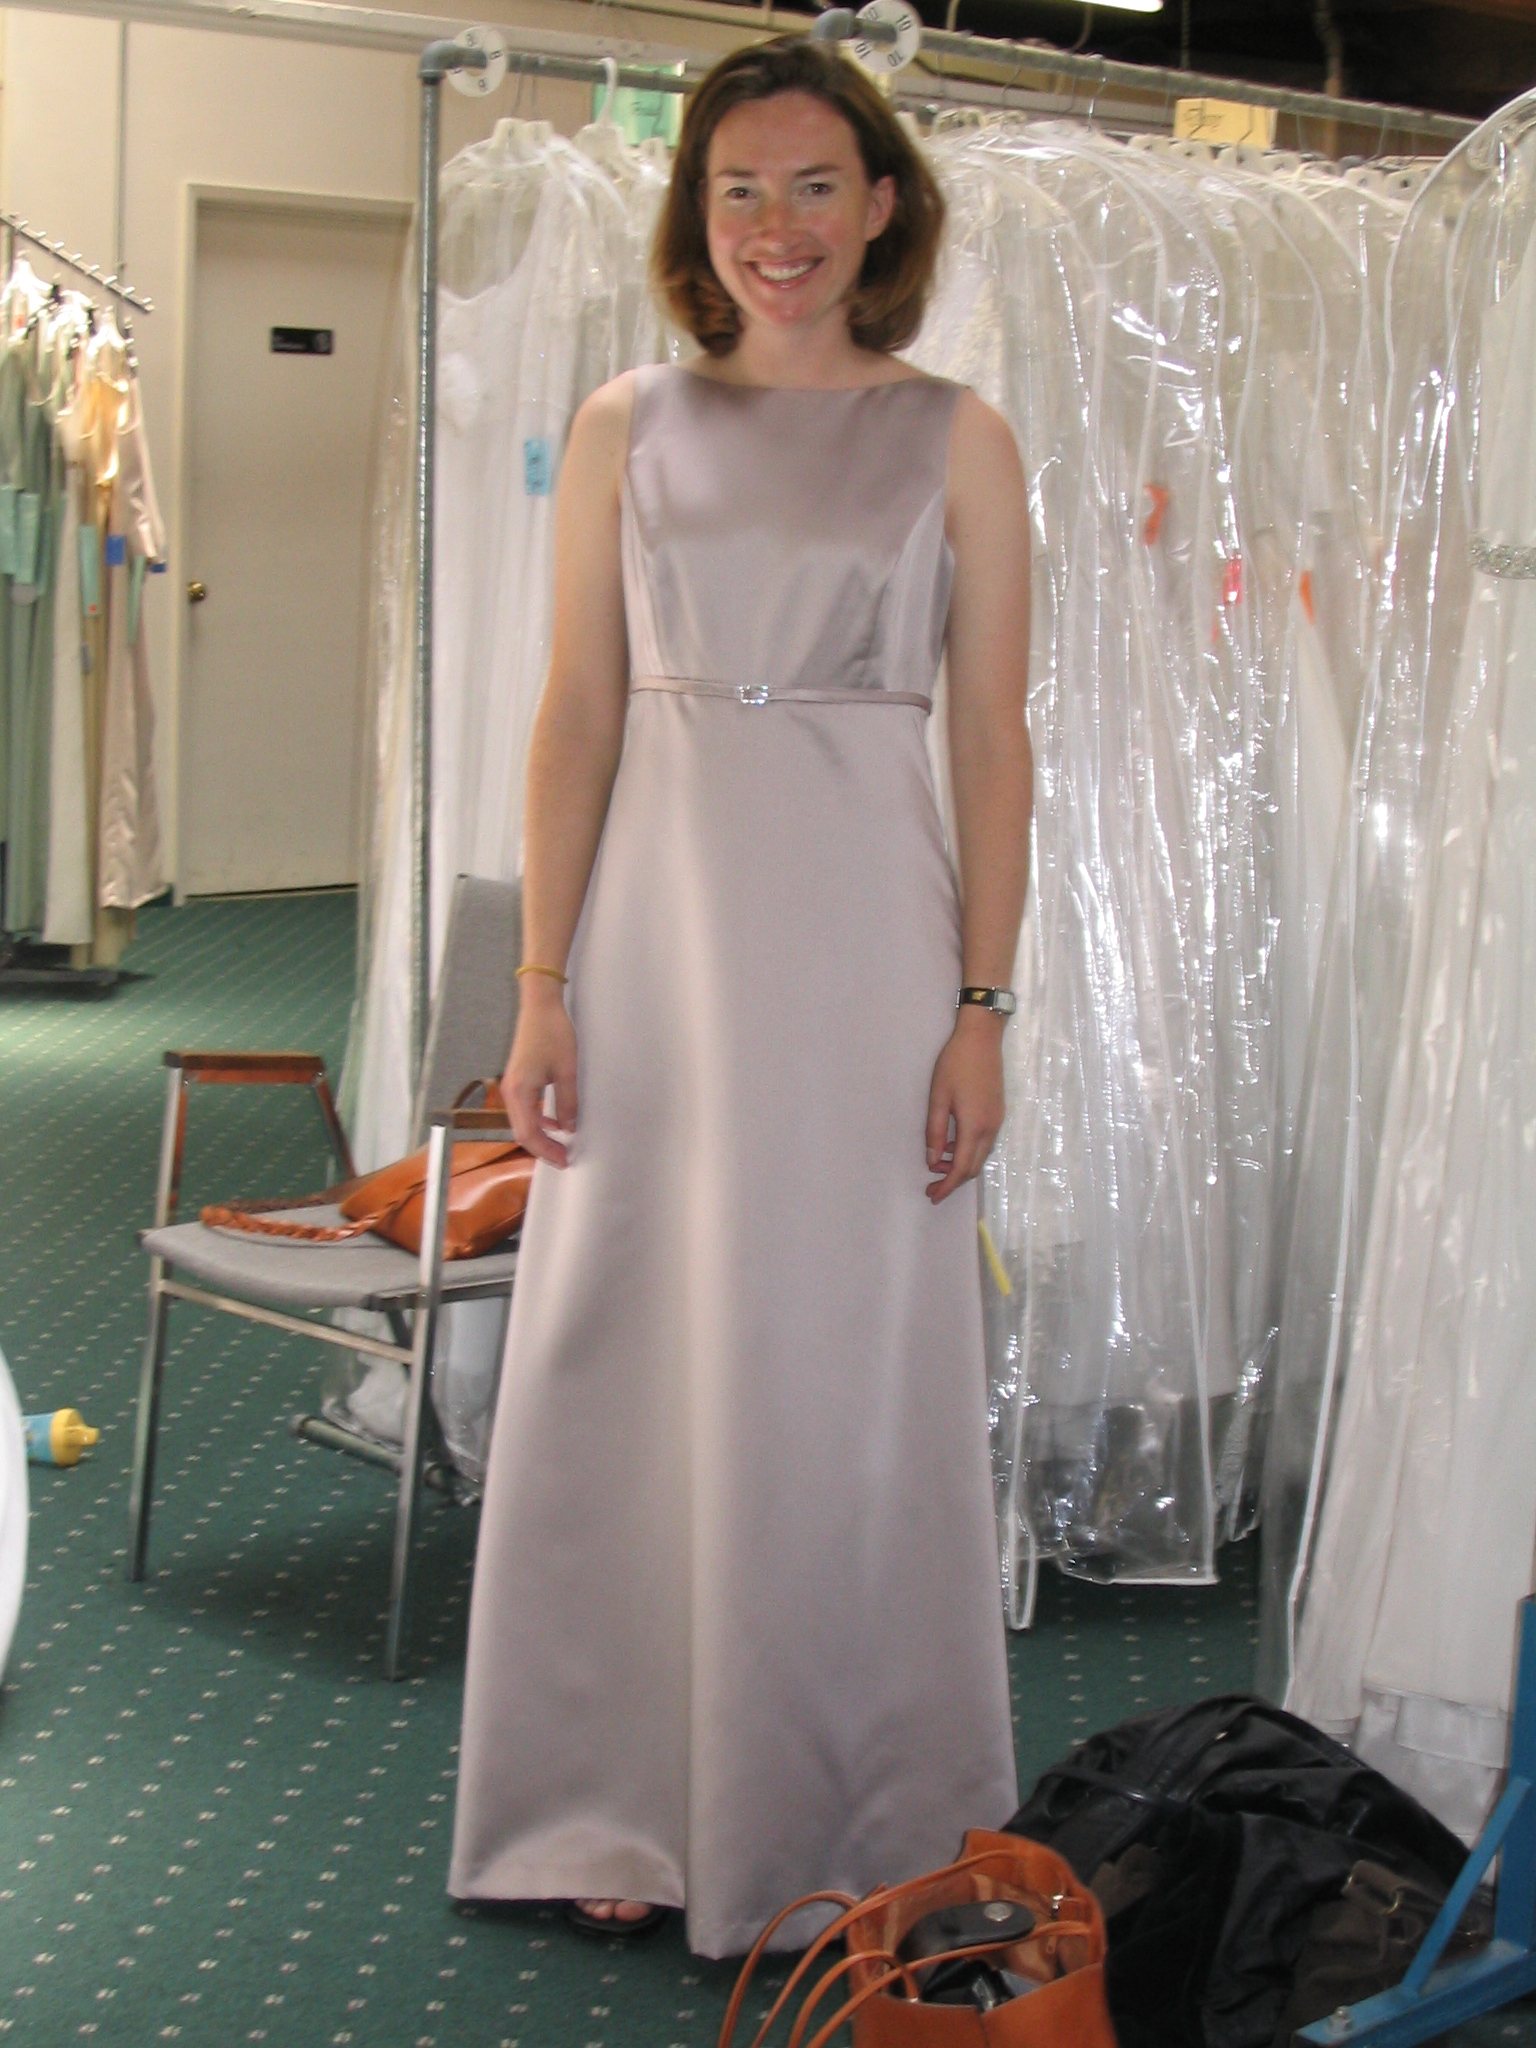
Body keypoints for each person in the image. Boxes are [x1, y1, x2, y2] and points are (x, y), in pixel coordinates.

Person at [448, 34, 1034, 1961]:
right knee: (633, 1343)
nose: (775, 228)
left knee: (843, 1361)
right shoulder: (627, 421)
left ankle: (849, 1804)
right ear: (697, 216)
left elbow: (995, 743)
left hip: (869, 943)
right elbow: (578, 713)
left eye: (813, 186)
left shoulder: (959, 436)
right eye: (737, 191)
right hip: (661, 946)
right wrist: (542, 985)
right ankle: (615, 1786)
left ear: (882, 206)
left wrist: (982, 1005)